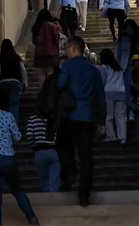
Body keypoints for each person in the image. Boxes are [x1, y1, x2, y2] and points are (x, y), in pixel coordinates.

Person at [0, 86, 39, 226]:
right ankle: (32, 219)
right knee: (17, 190)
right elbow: (17, 137)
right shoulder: (8, 116)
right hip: (8, 159)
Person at [56, 36, 106, 207]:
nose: (65, 52)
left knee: (63, 146)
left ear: (73, 48)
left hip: (70, 117)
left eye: (67, 48)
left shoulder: (68, 66)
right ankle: (84, 194)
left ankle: (69, 170)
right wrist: (101, 120)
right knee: (86, 156)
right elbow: (101, 97)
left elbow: (60, 84)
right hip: (88, 118)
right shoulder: (94, 70)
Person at [26, 108, 61, 193]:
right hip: (53, 150)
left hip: (39, 151)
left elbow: (29, 135)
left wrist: (33, 145)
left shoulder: (33, 118)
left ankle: (45, 199)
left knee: (43, 180)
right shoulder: (56, 118)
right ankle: (53, 200)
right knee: (54, 180)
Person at [99, 48, 128, 144]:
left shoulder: (103, 67)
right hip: (121, 92)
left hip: (108, 93)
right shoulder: (118, 67)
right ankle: (123, 138)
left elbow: (102, 81)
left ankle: (111, 136)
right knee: (121, 117)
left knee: (108, 116)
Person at [0, 39, 27, 125]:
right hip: (15, 83)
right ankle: (13, 125)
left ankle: (4, 125)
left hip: (3, 83)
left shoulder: (1, 59)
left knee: (4, 105)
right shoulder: (16, 58)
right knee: (14, 104)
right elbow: (23, 70)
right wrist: (24, 83)